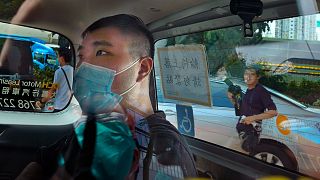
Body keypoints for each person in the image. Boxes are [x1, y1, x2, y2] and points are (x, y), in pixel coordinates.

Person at [17, 14, 197, 180]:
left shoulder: (163, 150)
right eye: (81, 56)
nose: (82, 66)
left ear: (142, 69)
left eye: (102, 52)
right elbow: (46, 158)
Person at [227, 65, 278, 154]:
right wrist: (231, 98)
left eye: (252, 74)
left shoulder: (261, 91)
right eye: (246, 74)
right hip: (242, 133)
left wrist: (252, 118)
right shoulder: (248, 91)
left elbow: (273, 112)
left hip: (250, 135)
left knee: (245, 159)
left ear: (258, 77)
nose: (248, 77)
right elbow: (241, 110)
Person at [36, 48, 74, 112]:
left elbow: (52, 90)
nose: (57, 59)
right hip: (68, 106)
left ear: (62, 58)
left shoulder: (59, 71)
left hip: (59, 105)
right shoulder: (72, 70)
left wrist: (41, 101)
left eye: (58, 57)